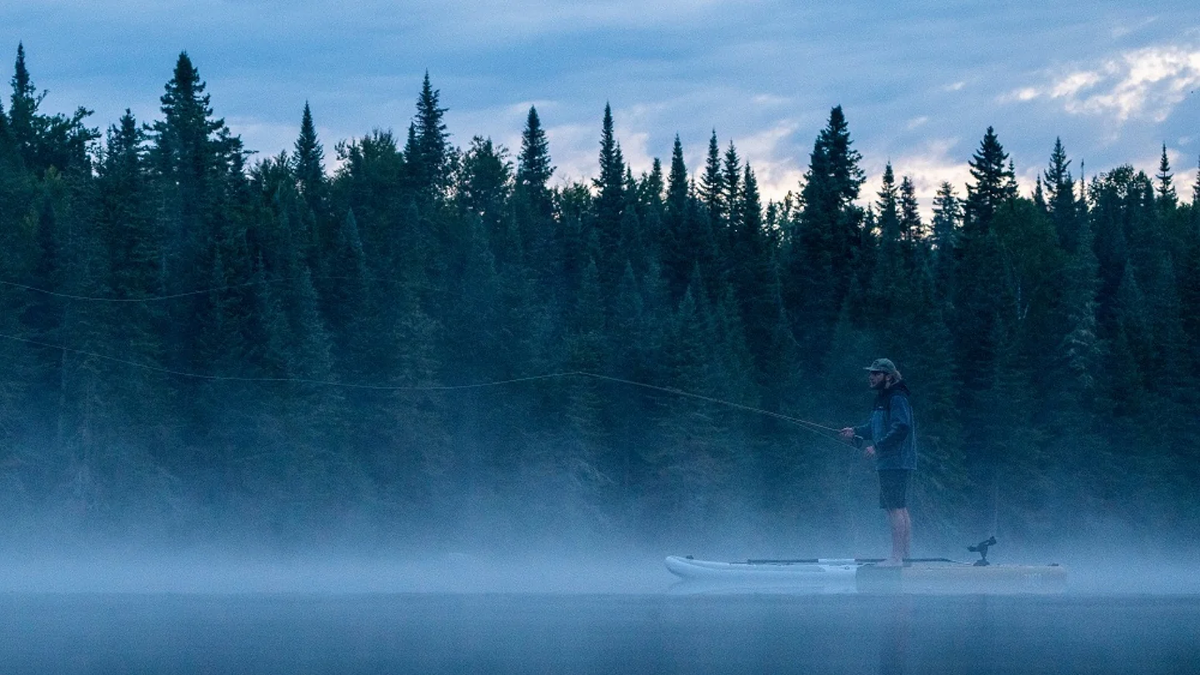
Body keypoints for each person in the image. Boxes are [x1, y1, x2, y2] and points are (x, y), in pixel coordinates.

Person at [839, 358, 916, 567]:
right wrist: (854, 431)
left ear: (888, 376)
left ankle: (896, 557)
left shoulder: (897, 397)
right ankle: (905, 556)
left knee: (894, 508)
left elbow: (901, 428)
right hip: (890, 461)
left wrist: (878, 447)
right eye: (870, 373)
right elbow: (874, 427)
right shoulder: (882, 398)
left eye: (876, 373)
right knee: (899, 506)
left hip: (895, 460)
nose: (871, 377)